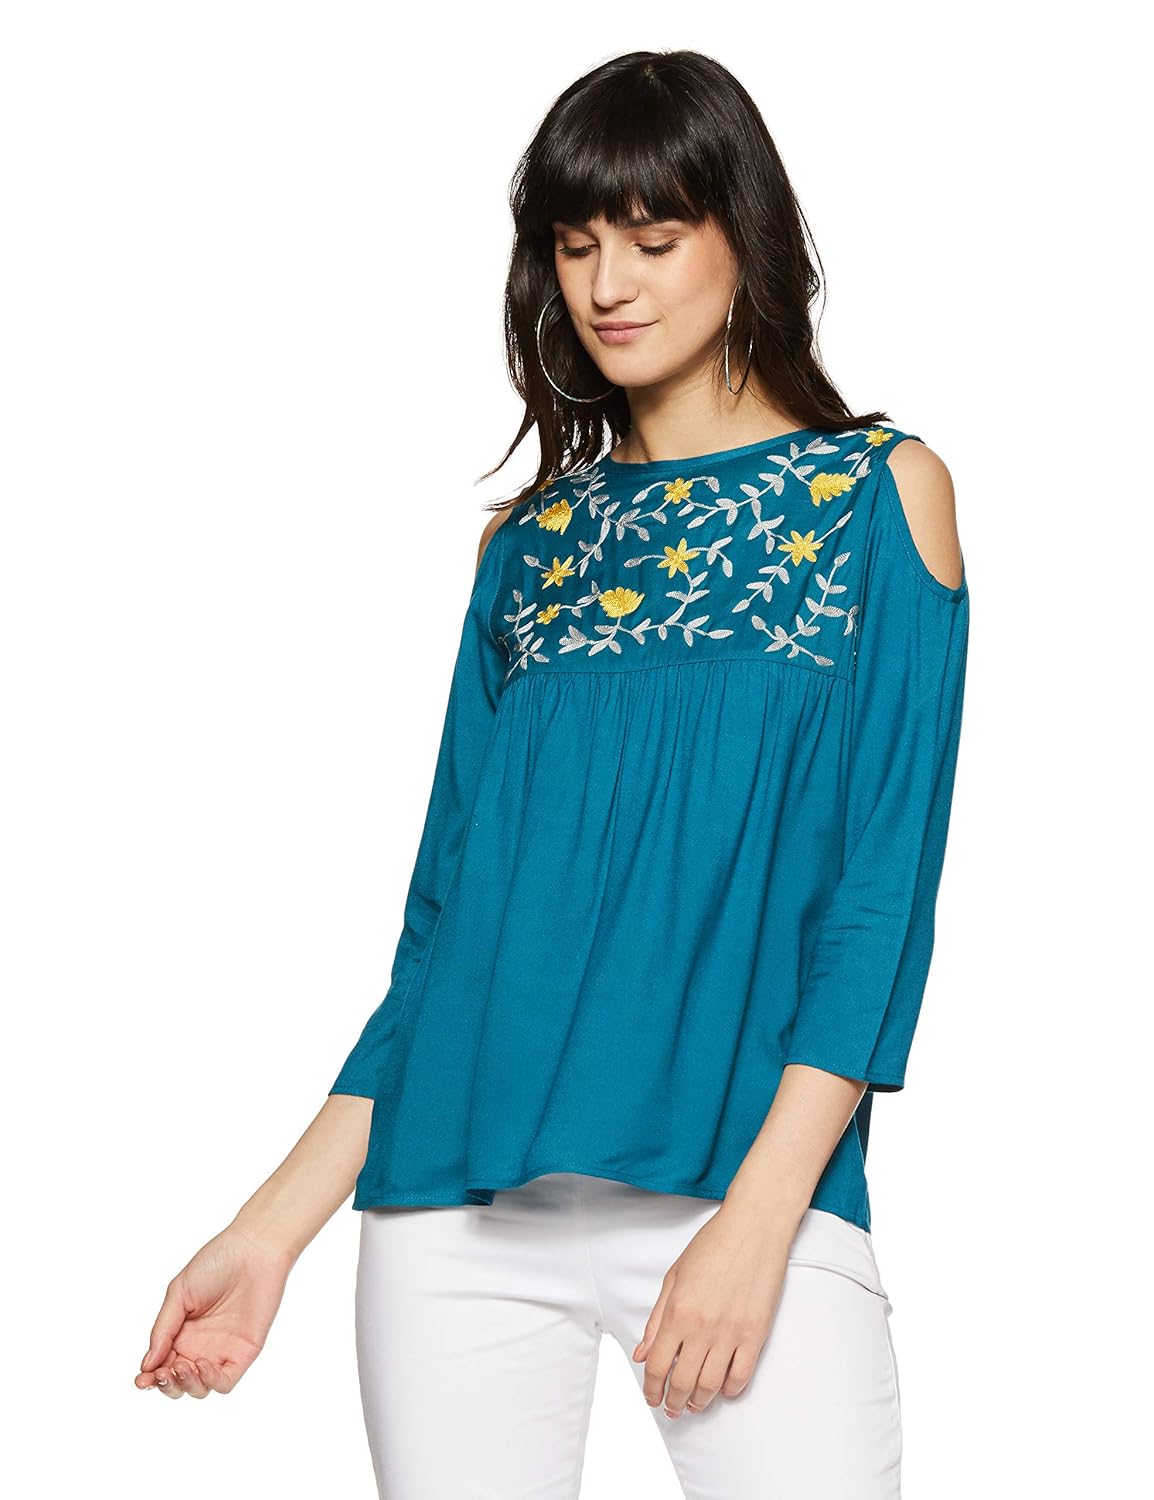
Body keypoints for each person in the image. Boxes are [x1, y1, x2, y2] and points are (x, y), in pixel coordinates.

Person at [135, 48, 969, 1499]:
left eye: (652, 239)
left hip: (741, 1187)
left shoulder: (875, 499)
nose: (607, 286)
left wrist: (760, 1222)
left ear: (742, 242)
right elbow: (445, 937)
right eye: (577, 246)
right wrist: (269, 1230)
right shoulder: (526, 548)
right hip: (453, 1208)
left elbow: (875, 906)